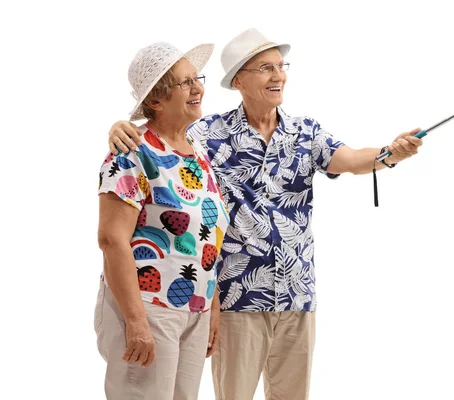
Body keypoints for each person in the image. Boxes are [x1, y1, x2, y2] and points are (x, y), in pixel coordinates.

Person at [107, 28, 422, 400]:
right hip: (237, 299)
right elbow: (160, 128)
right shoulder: (206, 133)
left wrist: (391, 153)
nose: (278, 76)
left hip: (297, 297)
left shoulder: (305, 133)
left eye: (280, 66)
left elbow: (352, 160)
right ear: (238, 80)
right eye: (265, 68)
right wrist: (119, 127)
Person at [96, 41, 229, 399]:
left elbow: (207, 237)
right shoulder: (131, 151)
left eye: (196, 79)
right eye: (185, 82)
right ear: (156, 99)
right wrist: (136, 322)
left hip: (193, 309)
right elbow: (111, 240)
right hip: (148, 306)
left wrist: (211, 305)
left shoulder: (197, 153)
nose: (198, 87)